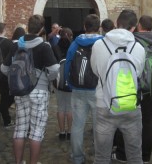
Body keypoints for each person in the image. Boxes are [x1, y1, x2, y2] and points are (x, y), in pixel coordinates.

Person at [1, 14, 58, 164]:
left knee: (20, 128)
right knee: (36, 130)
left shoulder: (16, 45)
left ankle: (19, 162)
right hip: (39, 92)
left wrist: (15, 78)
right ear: (41, 29)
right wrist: (47, 78)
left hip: (20, 91)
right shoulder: (44, 46)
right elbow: (54, 69)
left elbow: (4, 68)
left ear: (27, 27)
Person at [91, 9, 145, 164]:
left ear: (116, 23)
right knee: (135, 156)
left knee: (101, 156)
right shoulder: (139, 48)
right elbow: (138, 74)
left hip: (104, 104)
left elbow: (96, 71)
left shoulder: (98, 45)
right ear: (134, 28)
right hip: (131, 106)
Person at [112, 14, 152, 163]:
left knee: (124, 120)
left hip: (134, 87)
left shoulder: (133, 40)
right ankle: (145, 156)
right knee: (148, 123)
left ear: (139, 26)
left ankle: (121, 154)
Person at [64, 14, 103, 164]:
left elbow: (68, 64)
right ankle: (99, 157)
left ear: (85, 27)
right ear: (98, 28)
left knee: (77, 125)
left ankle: (77, 157)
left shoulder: (75, 43)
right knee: (98, 125)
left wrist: (70, 82)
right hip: (97, 89)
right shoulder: (103, 43)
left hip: (78, 89)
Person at [52, 27, 74, 141]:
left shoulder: (55, 47)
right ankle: (70, 132)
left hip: (58, 81)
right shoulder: (73, 48)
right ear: (70, 36)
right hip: (70, 81)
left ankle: (61, 132)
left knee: (61, 107)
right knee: (70, 108)